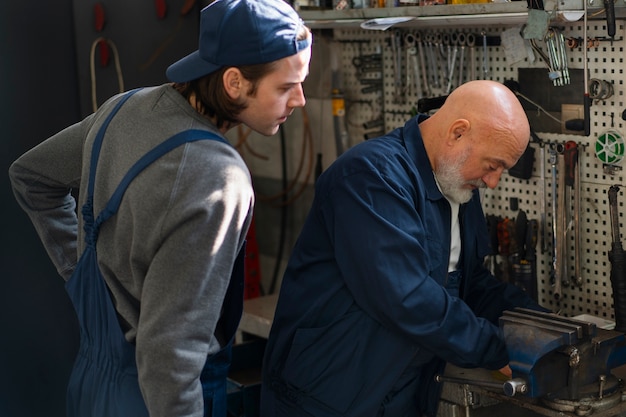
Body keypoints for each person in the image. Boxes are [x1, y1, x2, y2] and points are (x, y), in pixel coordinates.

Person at [8, 0, 311, 416]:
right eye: (286, 86)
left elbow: (29, 176)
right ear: (235, 82)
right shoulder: (218, 178)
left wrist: (80, 270)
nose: (301, 100)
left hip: (91, 385)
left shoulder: (124, 108)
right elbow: (169, 359)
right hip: (157, 401)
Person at [261, 80, 549, 417]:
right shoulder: (370, 177)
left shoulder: (457, 185)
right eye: (492, 165)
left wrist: (541, 327)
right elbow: (407, 298)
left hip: (403, 393)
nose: (493, 181)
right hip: (328, 395)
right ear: (457, 133)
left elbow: (470, 284)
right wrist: (500, 349)